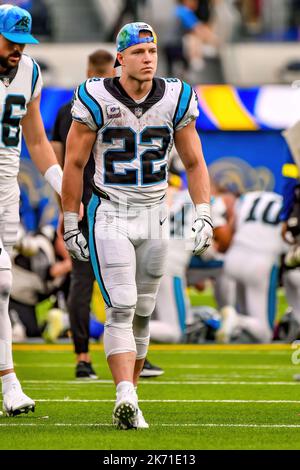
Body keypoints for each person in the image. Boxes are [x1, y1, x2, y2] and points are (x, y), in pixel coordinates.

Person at [62, 22, 213, 429]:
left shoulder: (177, 96)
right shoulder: (95, 97)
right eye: (139, 52)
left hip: (154, 213)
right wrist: (69, 218)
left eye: (152, 52)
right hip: (109, 210)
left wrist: (204, 212)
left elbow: (195, 161)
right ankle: (123, 393)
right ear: (120, 59)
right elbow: (74, 164)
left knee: (144, 311)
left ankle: (133, 399)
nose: (148, 59)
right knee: (123, 304)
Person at [52, 49, 162, 379]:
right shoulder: (78, 106)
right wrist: (68, 207)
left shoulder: (135, 101)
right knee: (88, 282)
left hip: (118, 204)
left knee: (129, 290)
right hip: (96, 205)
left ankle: (121, 355)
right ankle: (84, 356)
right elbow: (65, 162)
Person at [0, 4, 63, 416]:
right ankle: (10, 384)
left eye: (24, 43)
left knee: (0, 292)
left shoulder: (30, 71)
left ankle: (9, 388)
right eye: (11, 41)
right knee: (1, 282)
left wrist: (62, 185)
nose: (18, 50)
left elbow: (37, 138)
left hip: (7, 190)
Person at [217, 191, 284, 343]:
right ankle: (238, 321)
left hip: (234, 257)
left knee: (246, 312)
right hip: (261, 261)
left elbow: (231, 229)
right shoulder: (283, 201)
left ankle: (234, 322)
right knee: (265, 333)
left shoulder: (246, 198)